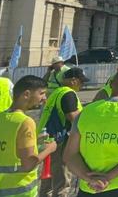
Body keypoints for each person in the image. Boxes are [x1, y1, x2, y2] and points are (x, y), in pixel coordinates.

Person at [65, 70, 118, 196]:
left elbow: (69, 155)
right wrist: (108, 177)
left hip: (89, 188)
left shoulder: (87, 111)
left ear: (111, 84)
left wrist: (90, 179)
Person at [0, 75, 55, 197]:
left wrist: (34, 141)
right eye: (42, 93)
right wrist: (49, 148)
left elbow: (3, 148)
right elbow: (28, 164)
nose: (44, 98)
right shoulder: (25, 122)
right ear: (26, 94)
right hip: (16, 191)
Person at [37, 67, 87, 197]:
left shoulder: (57, 92)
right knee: (62, 178)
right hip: (58, 140)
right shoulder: (68, 93)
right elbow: (73, 117)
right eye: (82, 82)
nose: (82, 85)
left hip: (46, 137)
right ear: (73, 80)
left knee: (48, 176)